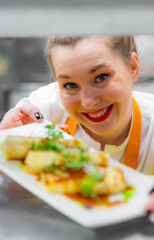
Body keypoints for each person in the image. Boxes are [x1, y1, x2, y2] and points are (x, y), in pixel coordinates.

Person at [0, 36, 154, 213]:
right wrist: (3, 148)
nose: (88, 102)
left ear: (132, 67)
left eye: (102, 77)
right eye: (70, 85)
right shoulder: (41, 112)